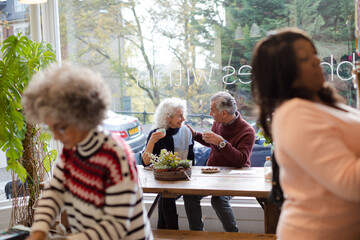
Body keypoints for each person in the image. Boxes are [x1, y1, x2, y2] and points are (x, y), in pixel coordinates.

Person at [251, 28, 360, 240]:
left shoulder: (324, 103)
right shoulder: (295, 114)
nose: (316, 61)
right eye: (304, 58)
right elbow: (351, 183)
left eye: (314, 53)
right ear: (283, 72)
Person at [23, 64, 153, 240]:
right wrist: (39, 228)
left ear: (83, 117)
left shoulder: (115, 155)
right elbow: (54, 192)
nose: (55, 136)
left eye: (61, 128)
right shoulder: (71, 153)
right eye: (51, 128)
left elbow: (116, 226)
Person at [184, 91, 255, 232]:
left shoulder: (247, 131)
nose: (210, 113)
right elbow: (212, 143)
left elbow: (240, 160)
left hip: (235, 176)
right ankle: (197, 234)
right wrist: (195, 135)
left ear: (223, 113)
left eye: (212, 110)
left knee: (218, 199)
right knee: (190, 194)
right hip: (214, 174)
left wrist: (222, 142)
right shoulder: (218, 123)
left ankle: (233, 235)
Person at [141, 97, 194, 230]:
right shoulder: (156, 134)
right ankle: (171, 232)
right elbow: (146, 163)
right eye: (179, 116)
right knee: (165, 195)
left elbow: (192, 160)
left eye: (183, 115)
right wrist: (151, 142)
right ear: (168, 117)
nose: (183, 119)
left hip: (184, 178)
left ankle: (168, 232)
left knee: (165, 196)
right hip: (163, 179)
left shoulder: (186, 132)